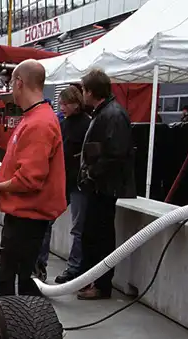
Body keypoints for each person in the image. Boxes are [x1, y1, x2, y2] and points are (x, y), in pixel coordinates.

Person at [0, 59, 66, 297]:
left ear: (19, 83)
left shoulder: (38, 123)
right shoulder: (34, 118)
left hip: (27, 218)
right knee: (13, 281)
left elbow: (29, 180)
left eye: (11, 84)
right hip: (23, 216)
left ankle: (18, 331)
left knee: (13, 285)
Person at [76, 68, 136, 300]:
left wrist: (92, 171)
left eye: (83, 89)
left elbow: (116, 153)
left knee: (100, 237)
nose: (81, 94)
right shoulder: (104, 112)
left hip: (105, 187)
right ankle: (91, 279)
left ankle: (101, 285)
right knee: (91, 235)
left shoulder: (112, 115)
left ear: (91, 91)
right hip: (99, 186)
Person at [51, 85, 92, 284]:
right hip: (65, 180)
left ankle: (75, 267)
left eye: (66, 103)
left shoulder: (87, 124)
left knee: (78, 227)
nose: (62, 107)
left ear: (76, 103)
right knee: (48, 219)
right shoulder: (64, 124)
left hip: (78, 183)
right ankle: (40, 264)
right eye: (61, 104)